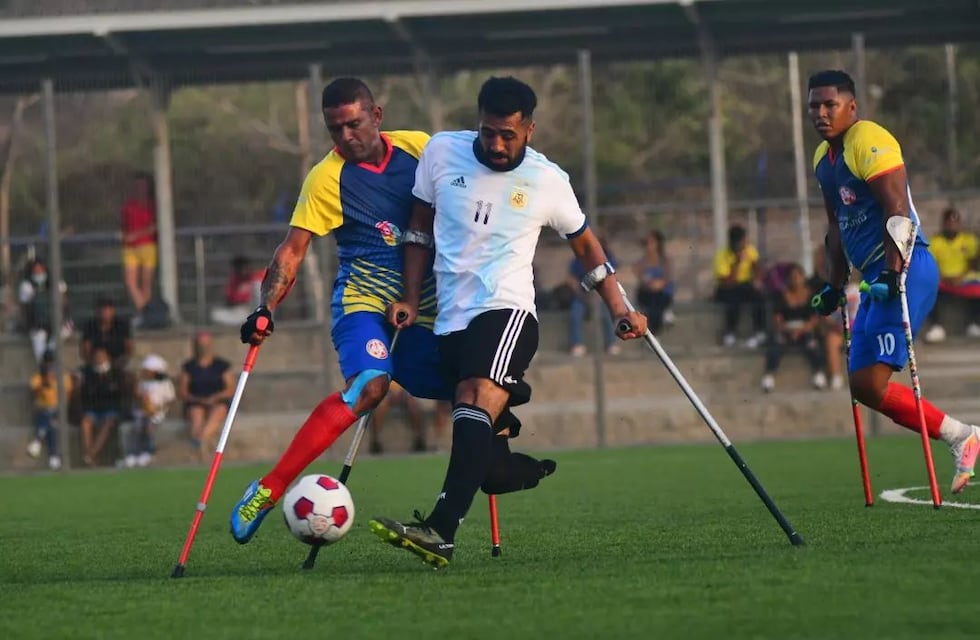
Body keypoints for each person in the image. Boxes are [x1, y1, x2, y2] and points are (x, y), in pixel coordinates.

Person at [230, 77, 556, 545]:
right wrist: (265, 309)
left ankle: (496, 463)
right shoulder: (326, 178)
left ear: (377, 116)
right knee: (370, 386)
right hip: (365, 303)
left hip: (428, 308)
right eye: (334, 129)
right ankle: (269, 488)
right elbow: (292, 250)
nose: (345, 137)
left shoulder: (421, 149)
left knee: (478, 390)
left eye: (353, 124)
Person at [373, 76, 648, 568]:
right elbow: (417, 228)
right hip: (450, 322)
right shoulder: (441, 152)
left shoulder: (548, 181)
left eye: (509, 136)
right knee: (490, 468)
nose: (497, 145)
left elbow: (586, 247)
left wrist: (618, 307)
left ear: (531, 130)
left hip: (507, 311)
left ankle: (440, 530)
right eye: (488, 133)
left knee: (473, 396)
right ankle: (522, 467)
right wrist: (410, 297)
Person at [807, 69, 980, 494]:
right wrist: (833, 283)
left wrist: (891, 271)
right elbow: (836, 225)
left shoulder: (869, 139)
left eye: (830, 105)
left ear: (852, 107)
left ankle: (962, 436)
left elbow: (897, 211)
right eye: (815, 106)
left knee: (873, 381)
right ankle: (961, 434)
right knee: (863, 384)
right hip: (873, 277)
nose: (822, 113)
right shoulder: (822, 160)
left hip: (906, 267)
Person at [760, 264, 826, 393]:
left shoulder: (811, 295)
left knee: (813, 345)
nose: (795, 280)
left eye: (798, 276)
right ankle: (768, 376)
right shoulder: (782, 296)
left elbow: (814, 319)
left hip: (805, 329)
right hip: (787, 329)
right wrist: (788, 330)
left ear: (803, 278)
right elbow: (777, 319)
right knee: (776, 345)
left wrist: (801, 330)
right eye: (792, 277)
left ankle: (819, 373)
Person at [923, 207, 980, 342]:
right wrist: (943, 277)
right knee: (929, 287)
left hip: (964, 278)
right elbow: (931, 264)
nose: (952, 226)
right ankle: (936, 327)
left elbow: (973, 263)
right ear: (944, 224)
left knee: (977, 286)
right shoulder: (935, 241)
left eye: (955, 223)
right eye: (949, 223)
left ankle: (975, 324)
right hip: (942, 279)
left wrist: (960, 276)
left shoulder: (969, 240)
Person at [178, 331, 233, 455]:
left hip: (218, 401)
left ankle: (199, 440)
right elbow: (183, 391)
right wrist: (199, 400)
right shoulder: (189, 367)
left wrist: (215, 397)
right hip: (196, 401)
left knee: (218, 411)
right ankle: (200, 445)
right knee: (196, 414)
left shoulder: (221, 365)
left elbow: (229, 389)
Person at [714, 224, 767, 348]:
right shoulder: (722, 254)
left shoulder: (749, 249)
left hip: (744, 285)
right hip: (726, 287)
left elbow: (759, 272)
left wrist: (755, 268)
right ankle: (730, 332)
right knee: (733, 298)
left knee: (759, 296)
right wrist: (737, 262)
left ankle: (759, 331)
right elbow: (727, 281)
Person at [567, 243, 619, 357]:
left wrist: (601, 295)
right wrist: (582, 294)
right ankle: (578, 344)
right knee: (576, 312)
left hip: (602, 296)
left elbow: (613, 278)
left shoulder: (607, 258)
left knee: (608, 311)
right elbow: (571, 279)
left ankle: (611, 344)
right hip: (583, 296)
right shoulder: (578, 259)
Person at [78, 346, 127, 466]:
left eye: (102, 356)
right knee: (86, 422)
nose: (99, 359)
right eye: (97, 357)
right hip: (94, 409)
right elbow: (86, 393)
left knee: (108, 422)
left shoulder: (116, 373)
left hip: (111, 409)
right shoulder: (89, 374)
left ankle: (91, 454)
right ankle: (90, 455)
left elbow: (119, 392)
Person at [125, 354, 176, 468]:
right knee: (137, 428)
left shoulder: (165, 384)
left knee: (149, 427)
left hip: (158, 414)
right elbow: (138, 397)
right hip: (143, 413)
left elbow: (169, 400)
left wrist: (157, 408)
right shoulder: (143, 383)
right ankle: (134, 453)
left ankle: (148, 452)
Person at [17, 258, 72, 364]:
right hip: (38, 324)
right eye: (36, 271)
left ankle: (50, 351)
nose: (39, 274)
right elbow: (24, 309)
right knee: (38, 340)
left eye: (41, 271)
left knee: (65, 330)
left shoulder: (56, 282)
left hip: (58, 321)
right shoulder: (27, 286)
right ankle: (44, 368)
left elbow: (65, 303)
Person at [26, 350, 73, 470]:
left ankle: (37, 442)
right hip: (43, 410)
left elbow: (68, 397)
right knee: (50, 423)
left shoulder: (64, 377)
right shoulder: (38, 377)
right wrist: (44, 382)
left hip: (60, 410)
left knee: (51, 419)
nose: (50, 366)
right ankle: (54, 458)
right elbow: (34, 394)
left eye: (52, 363)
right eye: (48, 363)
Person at [120, 172, 158, 322]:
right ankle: (144, 311)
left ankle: (145, 313)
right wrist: (125, 236)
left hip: (147, 246)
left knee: (145, 282)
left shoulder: (152, 204)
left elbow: (154, 226)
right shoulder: (128, 205)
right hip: (130, 248)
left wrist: (136, 235)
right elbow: (124, 225)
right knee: (130, 282)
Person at [369, 380, 427, 454]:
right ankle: (375, 441)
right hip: (387, 390)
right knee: (381, 407)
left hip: (405, 390)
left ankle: (419, 439)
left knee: (414, 406)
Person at [634, 230, 675, 333]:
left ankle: (655, 332)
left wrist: (660, 284)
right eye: (646, 243)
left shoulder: (664, 261)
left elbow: (667, 278)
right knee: (652, 302)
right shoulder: (641, 263)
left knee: (657, 301)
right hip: (648, 293)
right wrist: (650, 285)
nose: (649, 246)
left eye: (652, 243)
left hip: (662, 293)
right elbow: (641, 278)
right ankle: (654, 332)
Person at [210, 255, 265, 327]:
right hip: (241, 312)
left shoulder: (258, 277)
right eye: (238, 269)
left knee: (257, 285)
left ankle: (260, 321)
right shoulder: (233, 281)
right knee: (215, 315)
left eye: (244, 268)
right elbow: (229, 301)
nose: (242, 271)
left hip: (258, 311)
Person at [80, 297, 132, 369]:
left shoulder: (121, 325)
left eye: (107, 310)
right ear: (97, 312)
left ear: (113, 311)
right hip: (96, 362)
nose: (104, 313)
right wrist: (94, 360)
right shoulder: (90, 326)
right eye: (102, 310)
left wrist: (119, 360)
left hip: (117, 361)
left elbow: (129, 347)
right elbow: (85, 350)